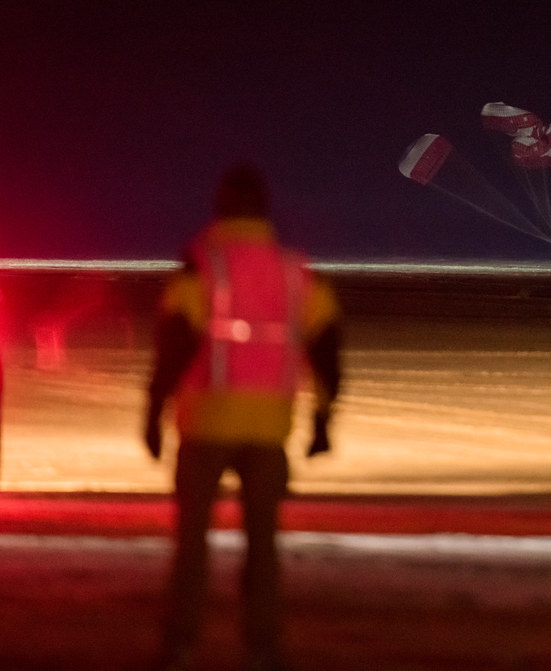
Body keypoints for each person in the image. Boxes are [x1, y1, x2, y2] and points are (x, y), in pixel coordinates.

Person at [144, 164, 342, 671]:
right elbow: (327, 347)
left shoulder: (202, 266)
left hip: (206, 423)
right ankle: (263, 647)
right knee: (263, 548)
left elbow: (175, 343)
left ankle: (181, 645)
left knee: (191, 546)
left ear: (221, 208)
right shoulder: (294, 271)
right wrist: (323, 418)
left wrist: (152, 409)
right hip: (268, 430)